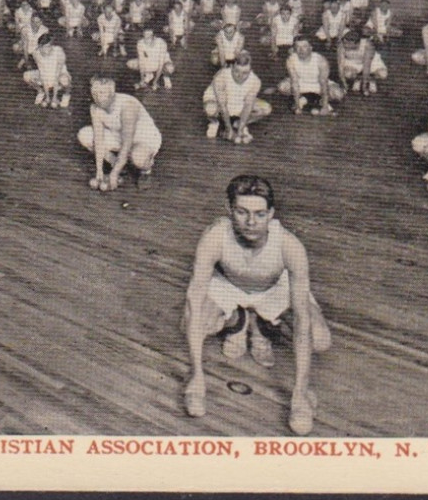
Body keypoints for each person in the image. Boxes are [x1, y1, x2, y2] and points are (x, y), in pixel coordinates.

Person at [182, 175, 331, 435]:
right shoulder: (215, 236)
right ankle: (238, 321)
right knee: (191, 322)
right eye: (242, 212)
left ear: (271, 214)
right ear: (229, 210)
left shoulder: (289, 246)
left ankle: (262, 322)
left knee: (320, 339)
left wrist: (300, 394)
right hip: (229, 285)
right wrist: (196, 378)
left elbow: (302, 320)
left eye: (260, 214)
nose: (251, 222)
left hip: (272, 289)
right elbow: (194, 301)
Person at [77, 76, 162, 192]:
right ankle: (117, 163)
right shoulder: (95, 108)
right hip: (117, 135)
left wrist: (114, 174)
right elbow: (98, 139)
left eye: (102, 93)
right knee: (84, 135)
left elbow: (127, 144)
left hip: (143, 138)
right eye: (94, 93)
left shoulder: (127, 106)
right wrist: (99, 172)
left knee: (138, 157)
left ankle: (146, 171)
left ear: (112, 93)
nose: (97, 97)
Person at [204, 52, 271, 143]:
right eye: (237, 71)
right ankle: (215, 122)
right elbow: (222, 105)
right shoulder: (221, 76)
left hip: (238, 102)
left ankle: (238, 124)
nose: (240, 76)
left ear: (250, 70)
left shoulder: (255, 81)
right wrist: (229, 131)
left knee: (265, 109)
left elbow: (248, 105)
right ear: (231, 67)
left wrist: (240, 130)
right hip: (219, 103)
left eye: (245, 73)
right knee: (210, 109)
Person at [279, 37, 342, 115]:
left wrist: (325, 107)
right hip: (301, 83)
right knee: (283, 87)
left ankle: (311, 100)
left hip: (318, 84)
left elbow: (323, 83)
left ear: (311, 48)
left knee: (338, 94)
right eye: (298, 47)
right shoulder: (291, 59)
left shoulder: (320, 60)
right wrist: (297, 106)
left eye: (304, 46)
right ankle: (305, 99)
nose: (301, 50)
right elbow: (294, 81)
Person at [25, 33, 73, 108]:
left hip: (59, 74)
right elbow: (42, 74)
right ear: (39, 47)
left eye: (49, 46)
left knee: (65, 80)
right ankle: (41, 92)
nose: (47, 49)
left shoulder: (59, 51)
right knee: (26, 76)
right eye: (44, 47)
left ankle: (66, 95)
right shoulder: (36, 54)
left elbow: (57, 74)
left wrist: (54, 97)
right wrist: (47, 98)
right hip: (47, 75)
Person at [336, 30, 386, 95]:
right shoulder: (341, 46)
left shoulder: (368, 45)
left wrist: (364, 87)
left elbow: (367, 66)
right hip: (352, 61)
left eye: (348, 43)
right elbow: (340, 66)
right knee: (348, 74)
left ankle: (372, 80)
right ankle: (357, 79)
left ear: (356, 43)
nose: (345, 45)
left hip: (371, 61)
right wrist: (343, 83)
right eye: (344, 42)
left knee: (382, 74)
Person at [127, 27, 175, 91]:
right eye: (145, 36)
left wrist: (155, 82)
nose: (146, 39)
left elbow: (160, 64)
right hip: (150, 61)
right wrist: (142, 81)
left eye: (149, 36)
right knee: (129, 64)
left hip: (162, 62)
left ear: (154, 37)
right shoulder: (140, 43)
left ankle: (166, 77)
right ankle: (149, 75)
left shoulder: (162, 43)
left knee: (170, 68)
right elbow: (141, 62)